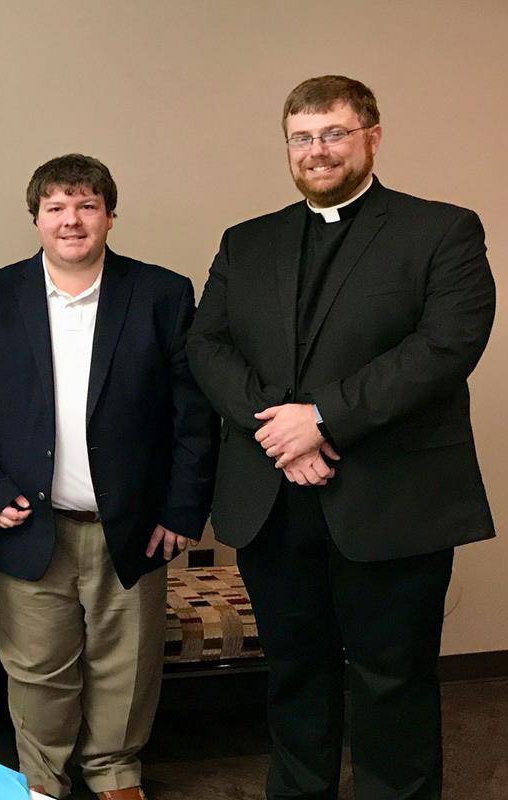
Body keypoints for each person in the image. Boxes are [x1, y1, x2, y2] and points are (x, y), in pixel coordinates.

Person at [187, 75, 496, 799]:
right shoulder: (246, 240)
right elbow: (207, 345)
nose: (317, 150)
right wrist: (279, 429)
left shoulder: (442, 230)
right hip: (273, 497)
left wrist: (321, 418)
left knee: (393, 677)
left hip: (391, 495)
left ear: (372, 137)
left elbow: (445, 346)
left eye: (334, 133)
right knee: (295, 671)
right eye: (301, 137)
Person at [0, 154, 219, 800]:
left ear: (110, 215)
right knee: (37, 668)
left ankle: (115, 772)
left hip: (132, 523)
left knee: (127, 663)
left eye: (87, 205)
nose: (72, 220)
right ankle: (42, 780)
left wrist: (182, 509)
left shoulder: (162, 294)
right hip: (27, 524)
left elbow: (194, 415)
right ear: (35, 218)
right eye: (56, 207)